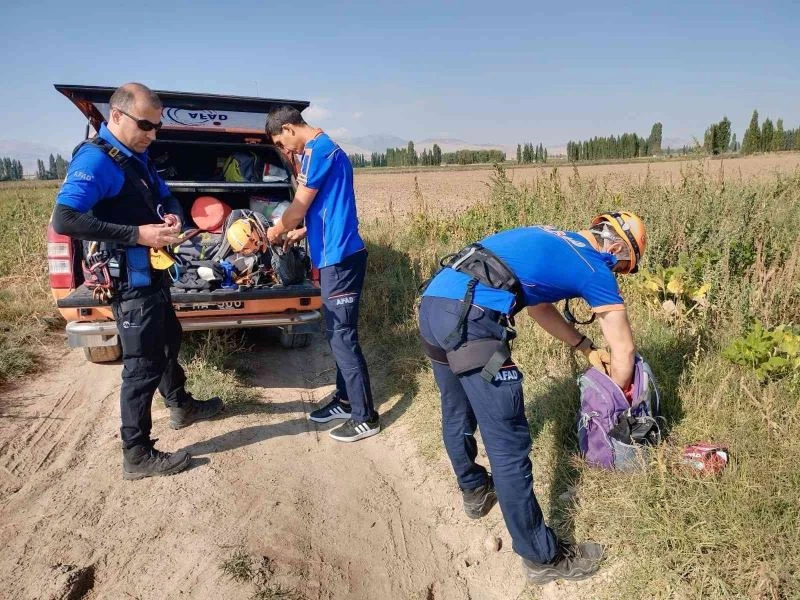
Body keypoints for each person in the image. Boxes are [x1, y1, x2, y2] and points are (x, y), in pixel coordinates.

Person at [417, 212, 647, 584]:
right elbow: (624, 350)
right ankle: (543, 558)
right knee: (508, 446)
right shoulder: (595, 265)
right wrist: (620, 402)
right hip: (472, 319)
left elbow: (538, 306)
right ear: (618, 247)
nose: (617, 273)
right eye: (624, 266)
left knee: (456, 408)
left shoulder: (554, 236)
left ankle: (475, 490)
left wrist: (584, 346)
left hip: (434, 305)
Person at [52, 82, 223, 480]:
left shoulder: (134, 157)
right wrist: (138, 235)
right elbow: (65, 219)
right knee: (142, 364)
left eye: (157, 126)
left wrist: (172, 215)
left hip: (152, 275)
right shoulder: (95, 161)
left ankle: (180, 404)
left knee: (167, 340)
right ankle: (137, 453)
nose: (153, 134)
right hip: (129, 282)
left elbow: (165, 196)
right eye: (146, 125)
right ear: (116, 116)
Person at [265, 106, 379, 442]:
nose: (286, 151)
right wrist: (300, 233)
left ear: (288, 129)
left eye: (281, 143)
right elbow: (326, 206)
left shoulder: (319, 150)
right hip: (333, 254)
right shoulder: (320, 150)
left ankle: (365, 416)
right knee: (335, 332)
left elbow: (299, 206)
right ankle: (345, 400)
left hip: (340, 257)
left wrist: (277, 230)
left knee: (342, 336)